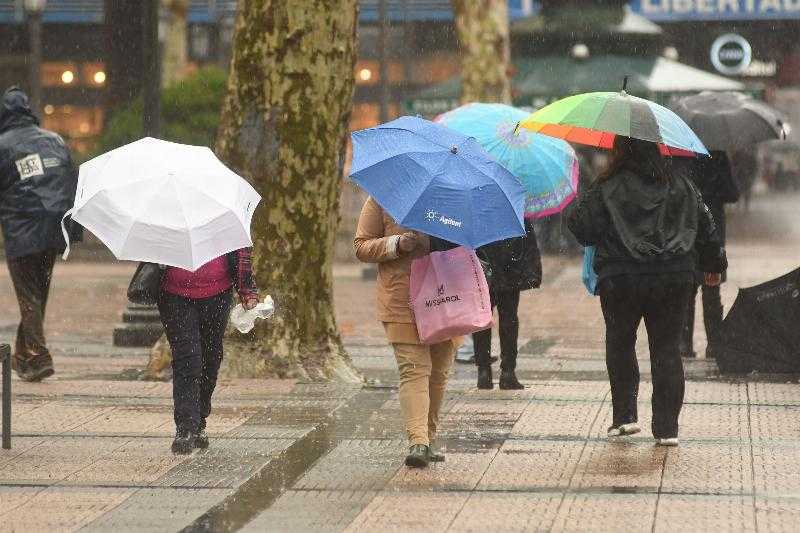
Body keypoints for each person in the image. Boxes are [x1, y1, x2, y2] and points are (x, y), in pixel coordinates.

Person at [565, 136, 727, 447]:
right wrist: (714, 264)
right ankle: (667, 428)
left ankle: (625, 417)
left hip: (622, 278)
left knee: (621, 342)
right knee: (667, 349)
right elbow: (707, 227)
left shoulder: (608, 185)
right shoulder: (681, 184)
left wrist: (597, 195)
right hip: (673, 277)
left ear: (619, 151)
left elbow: (580, 225)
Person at [354, 197, 457, 468]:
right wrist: (396, 244)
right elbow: (362, 246)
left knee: (438, 374)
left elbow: (473, 240)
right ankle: (418, 442)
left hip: (447, 297)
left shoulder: (454, 195)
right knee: (414, 369)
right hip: (401, 299)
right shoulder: (382, 196)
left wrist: (441, 239)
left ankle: (428, 438)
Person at [0, 87, 82, 382]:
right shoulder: (54, 141)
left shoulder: (3, 145)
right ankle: (24, 356)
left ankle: (37, 355)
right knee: (38, 293)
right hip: (53, 229)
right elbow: (72, 182)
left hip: (21, 231)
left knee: (29, 296)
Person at [158, 249, 259, 454]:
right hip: (174, 296)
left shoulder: (223, 216)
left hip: (217, 296)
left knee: (210, 361)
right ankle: (185, 427)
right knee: (187, 360)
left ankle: (199, 419)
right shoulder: (167, 216)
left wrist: (247, 291)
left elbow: (240, 251)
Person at [675, 151, 739, 359]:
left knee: (687, 289)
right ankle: (714, 343)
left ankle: (685, 344)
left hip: (687, 230)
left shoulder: (680, 154)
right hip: (713, 230)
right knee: (712, 290)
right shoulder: (718, 155)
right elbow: (733, 193)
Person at [474, 218, 542, 390]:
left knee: (482, 319)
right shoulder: (514, 209)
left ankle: (483, 370)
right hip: (509, 270)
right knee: (509, 319)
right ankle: (508, 371)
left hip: (483, 269)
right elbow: (528, 244)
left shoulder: (476, 209)